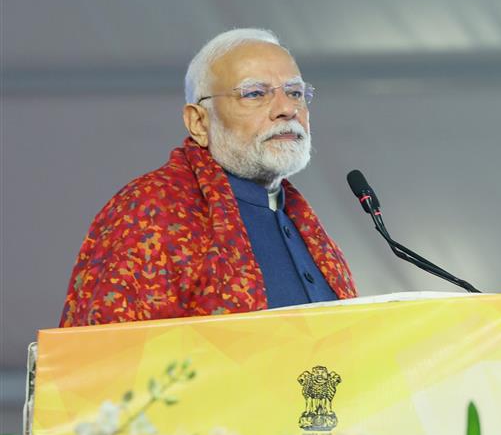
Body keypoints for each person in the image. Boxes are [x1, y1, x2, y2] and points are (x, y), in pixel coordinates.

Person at [59, 29, 357, 327]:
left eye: (294, 92)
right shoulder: (150, 210)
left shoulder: (300, 220)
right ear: (199, 122)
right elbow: (111, 356)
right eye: (254, 93)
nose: (287, 109)